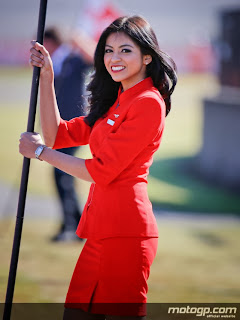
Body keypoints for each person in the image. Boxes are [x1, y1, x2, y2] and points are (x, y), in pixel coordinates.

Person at [19, 15, 177, 320]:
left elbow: (100, 171)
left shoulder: (148, 102)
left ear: (147, 56)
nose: (114, 58)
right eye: (108, 50)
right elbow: (57, 134)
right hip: (99, 234)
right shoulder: (114, 100)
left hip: (127, 235)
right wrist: (48, 77)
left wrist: (40, 152)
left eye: (125, 50)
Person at [43, 27, 93, 242]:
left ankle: (71, 227)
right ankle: (77, 224)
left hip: (75, 127)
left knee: (62, 175)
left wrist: (79, 39)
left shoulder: (73, 58)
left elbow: (94, 59)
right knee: (63, 175)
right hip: (60, 129)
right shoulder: (54, 63)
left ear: (53, 42)